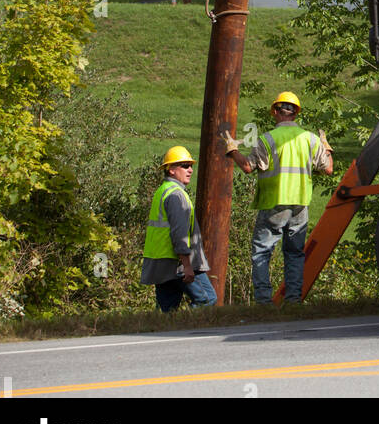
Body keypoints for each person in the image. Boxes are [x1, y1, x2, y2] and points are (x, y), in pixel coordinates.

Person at [223, 92, 333, 305]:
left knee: (262, 250)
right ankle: (293, 300)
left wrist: (232, 150)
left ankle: (264, 301)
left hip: (274, 202)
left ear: (274, 112)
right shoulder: (310, 139)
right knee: (294, 253)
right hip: (300, 204)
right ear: (296, 113)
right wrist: (326, 148)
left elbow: (247, 167)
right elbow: (328, 169)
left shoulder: (267, 139)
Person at [140, 146, 218, 313]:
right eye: (184, 165)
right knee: (207, 299)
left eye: (190, 165)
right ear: (171, 169)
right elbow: (179, 234)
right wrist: (187, 266)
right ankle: (184, 331)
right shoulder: (176, 195)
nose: (190, 169)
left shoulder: (163, 191)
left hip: (161, 263)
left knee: (167, 311)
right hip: (177, 263)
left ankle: (167, 334)